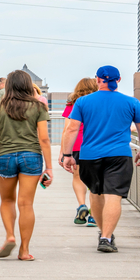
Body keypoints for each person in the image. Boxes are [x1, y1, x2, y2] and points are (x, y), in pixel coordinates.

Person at [60, 65, 140, 254]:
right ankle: (106, 237)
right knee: (114, 196)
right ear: (118, 81)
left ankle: (104, 233)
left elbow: (71, 129)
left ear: (98, 80)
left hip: (89, 156)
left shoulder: (83, 102)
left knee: (95, 193)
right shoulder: (131, 102)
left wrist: (67, 155)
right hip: (119, 155)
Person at [0, 69, 52, 261]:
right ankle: (24, 250)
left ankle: (10, 235)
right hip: (31, 157)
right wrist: (49, 168)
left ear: (9, 85)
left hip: (4, 157)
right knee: (26, 204)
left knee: (7, 201)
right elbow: (44, 139)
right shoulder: (39, 107)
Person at [59, 77, 99, 226]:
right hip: (95, 144)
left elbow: (66, 130)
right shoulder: (98, 102)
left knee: (78, 177)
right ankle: (93, 216)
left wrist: (63, 152)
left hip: (76, 144)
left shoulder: (73, 103)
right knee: (95, 180)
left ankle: (82, 205)